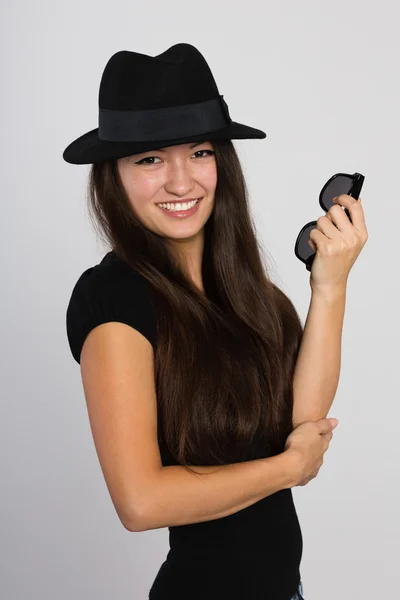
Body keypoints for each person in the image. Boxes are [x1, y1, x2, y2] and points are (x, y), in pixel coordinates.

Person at [63, 43, 347, 600]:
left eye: (198, 153)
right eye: (149, 159)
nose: (180, 182)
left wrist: (330, 285)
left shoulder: (247, 293)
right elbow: (140, 502)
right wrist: (287, 470)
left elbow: (303, 424)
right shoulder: (115, 301)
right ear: (113, 177)